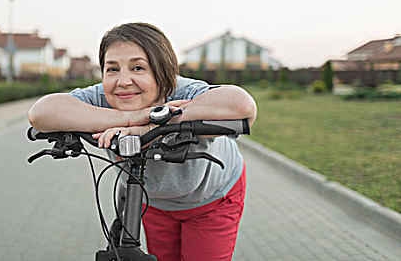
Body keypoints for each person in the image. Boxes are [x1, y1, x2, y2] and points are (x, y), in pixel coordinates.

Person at [28, 22, 257, 261]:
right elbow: (40, 113)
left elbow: (243, 106)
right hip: (154, 200)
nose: (123, 81)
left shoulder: (182, 92)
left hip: (213, 198)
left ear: (163, 72)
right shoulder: (108, 96)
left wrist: (152, 126)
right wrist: (131, 118)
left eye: (138, 68)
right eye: (112, 69)